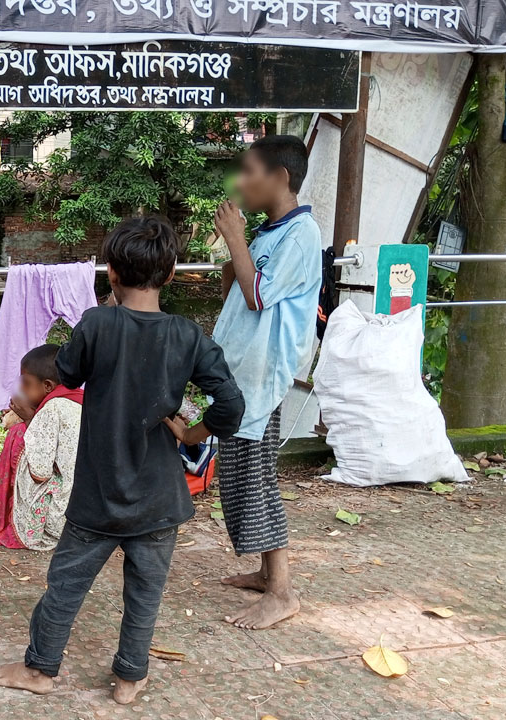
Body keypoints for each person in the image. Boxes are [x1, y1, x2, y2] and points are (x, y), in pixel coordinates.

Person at [0, 216, 245, 705]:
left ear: (110, 273)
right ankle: (130, 678)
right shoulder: (188, 336)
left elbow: (65, 370)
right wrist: (191, 432)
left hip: (97, 498)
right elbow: (231, 406)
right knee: (144, 593)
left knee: (65, 585)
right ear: (170, 274)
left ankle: (41, 669)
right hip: (159, 499)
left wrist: (104, 318)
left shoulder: (98, 324)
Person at [206, 134, 322, 630]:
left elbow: (258, 297)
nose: (240, 183)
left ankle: (282, 591)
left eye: (249, 171)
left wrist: (235, 237)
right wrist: (237, 245)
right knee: (241, 477)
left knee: (253, 479)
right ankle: (265, 572)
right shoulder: (271, 233)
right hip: (242, 372)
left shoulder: (302, 235)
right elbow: (238, 287)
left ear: (280, 178)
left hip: (262, 376)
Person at [0, 343, 83, 551]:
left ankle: (19, 519)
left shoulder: (52, 409)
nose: (21, 389)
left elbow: (40, 471)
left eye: (26, 383)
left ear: (47, 386)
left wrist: (30, 420)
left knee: (18, 434)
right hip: (85, 509)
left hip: (58, 517)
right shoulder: (80, 400)